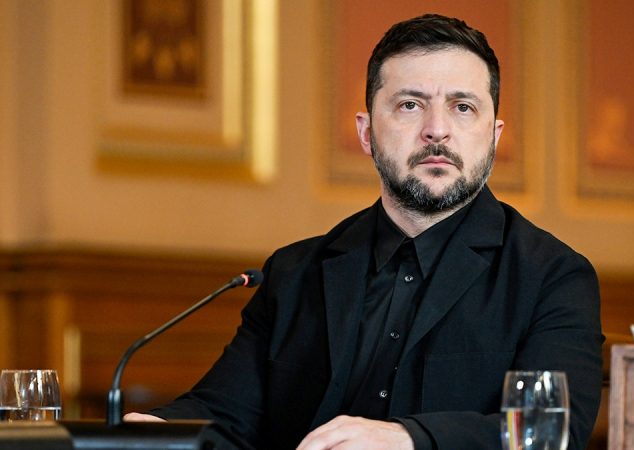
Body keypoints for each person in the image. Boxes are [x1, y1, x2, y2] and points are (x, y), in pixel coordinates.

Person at [126, 14, 604, 450]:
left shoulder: (552, 278)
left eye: (462, 107)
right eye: (411, 105)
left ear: (494, 136)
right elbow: (225, 414)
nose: (437, 130)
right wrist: (154, 431)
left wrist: (408, 439)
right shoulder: (294, 273)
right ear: (366, 133)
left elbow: (549, 434)